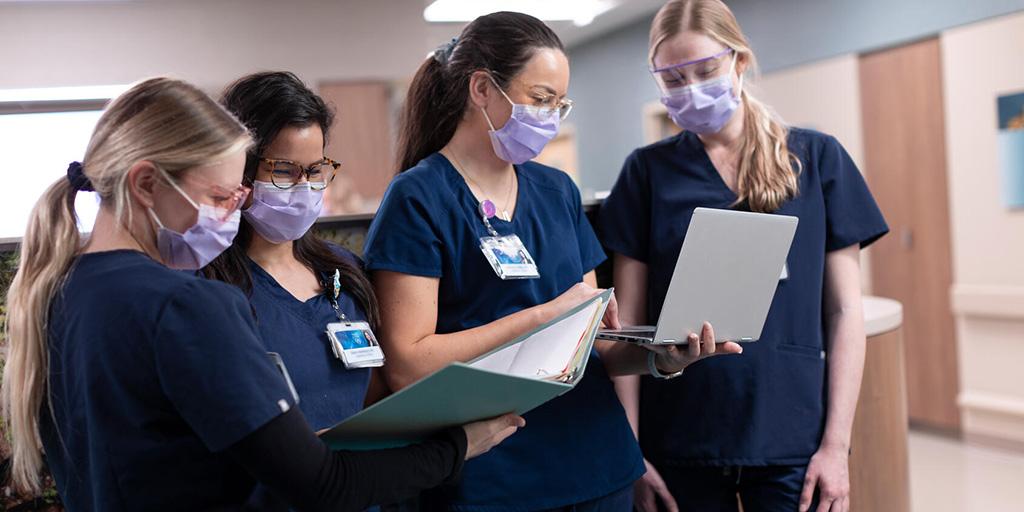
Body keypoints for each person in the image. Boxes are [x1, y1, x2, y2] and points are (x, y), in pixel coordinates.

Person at [0, 77, 522, 512]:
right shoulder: (190, 304)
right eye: (220, 196)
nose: (229, 214)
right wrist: (460, 446)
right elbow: (322, 484)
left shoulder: (60, 287)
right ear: (145, 184)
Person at [362, 12, 740, 511]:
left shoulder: (556, 190)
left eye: (559, 104)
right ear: (482, 89)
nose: (550, 116)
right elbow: (408, 367)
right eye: (540, 99)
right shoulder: (418, 198)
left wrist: (661, 358)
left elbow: (591, 344)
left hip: (596, 462)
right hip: (495, 474)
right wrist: (542, 316)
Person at [597, 1, 889, 511]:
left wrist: (836, 447)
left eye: (705, 70)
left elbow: (844, 311)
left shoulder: (815, 159)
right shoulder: (646, 174)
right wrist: (631, 454)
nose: (690, 89)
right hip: (681, 437)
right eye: (672, 78)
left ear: (739, 61)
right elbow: (629, 323)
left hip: (791, 432)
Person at [203, 71, 386, 431]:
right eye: (284, 171)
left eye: (315, 170)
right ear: (240, 170)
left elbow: (374, 395)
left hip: (361, 477)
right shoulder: (208, 284)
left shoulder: (344, 271)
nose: (304, 187)